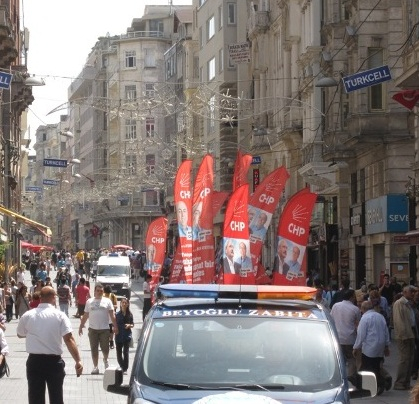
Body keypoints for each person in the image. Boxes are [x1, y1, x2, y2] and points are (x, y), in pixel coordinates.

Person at [17, 286, 83, 404]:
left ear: (40, 298)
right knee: (56, 397)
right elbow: (69, 339)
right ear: (53, 298)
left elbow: (20, 334)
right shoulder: (60, 315)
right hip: (54, 362)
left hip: (35, 361)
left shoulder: (28, 315)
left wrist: (35, 332)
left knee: (35, 398)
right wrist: (78, 360)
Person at [78, 283, 118, 374]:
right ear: (94, 291)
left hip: (104, 329)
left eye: (101, 291)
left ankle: (105, 360)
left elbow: (112, 315)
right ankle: (95, 367)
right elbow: (85, 315)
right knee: (94, 349)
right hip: (93, 329)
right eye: (98, 291)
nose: (99, 292)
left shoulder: (107, 301)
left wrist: (115, 326)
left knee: (105, 348)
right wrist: (81, 326)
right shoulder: (89, 301)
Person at [353, 300, 391, 395]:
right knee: (376, 366)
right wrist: (386, 345)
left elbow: (361, 334)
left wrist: (356, 347)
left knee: (367, 367)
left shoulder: (365, 318)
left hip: (370, 347)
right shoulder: (380, 316)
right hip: (380, 346)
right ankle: (377, 383)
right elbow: (386, 331)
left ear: (363, 309)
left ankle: (378, 383)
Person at [330, 288, 361, 384]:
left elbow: (331, 317)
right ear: (352, 297)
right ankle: (351, 375)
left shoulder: (335, 306)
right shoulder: (355, 309)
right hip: (350, 338)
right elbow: (358, 323)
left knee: (340, 359)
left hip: (337, 337)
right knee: (352, 358)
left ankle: (340, 377)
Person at [392, 285, 416, 390]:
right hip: (404, 335)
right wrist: (403, 335)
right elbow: (398, 321)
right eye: (412, 292)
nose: (414, 294)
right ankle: (400, 382)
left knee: (410, 359)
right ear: (405, 292)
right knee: (404, 359)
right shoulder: (399, 304)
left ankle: (406, 382)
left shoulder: (409, 304)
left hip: (411, 333)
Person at [115, 298, 134, 373]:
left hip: (126, 336)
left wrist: (129, 325)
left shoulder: (130, 314)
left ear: (128, 304)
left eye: (126, 303)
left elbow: (133, 324)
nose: (124, 304)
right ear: (120, 304)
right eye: (123, 302)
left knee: (125, 352)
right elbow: (114, 324)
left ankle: (125, 368)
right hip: (118, 335)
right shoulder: (117, 314)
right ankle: (122, 365)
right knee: (119, 353)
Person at [103, 285, 118, 349]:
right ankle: (107, 341)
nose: (107, 294)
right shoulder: (102, 296)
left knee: (111, 330)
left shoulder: (113, 296)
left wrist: (110, 307)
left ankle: (111, 341)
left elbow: (116, 305)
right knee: (105, 330)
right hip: (104, 316)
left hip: (110, 316)